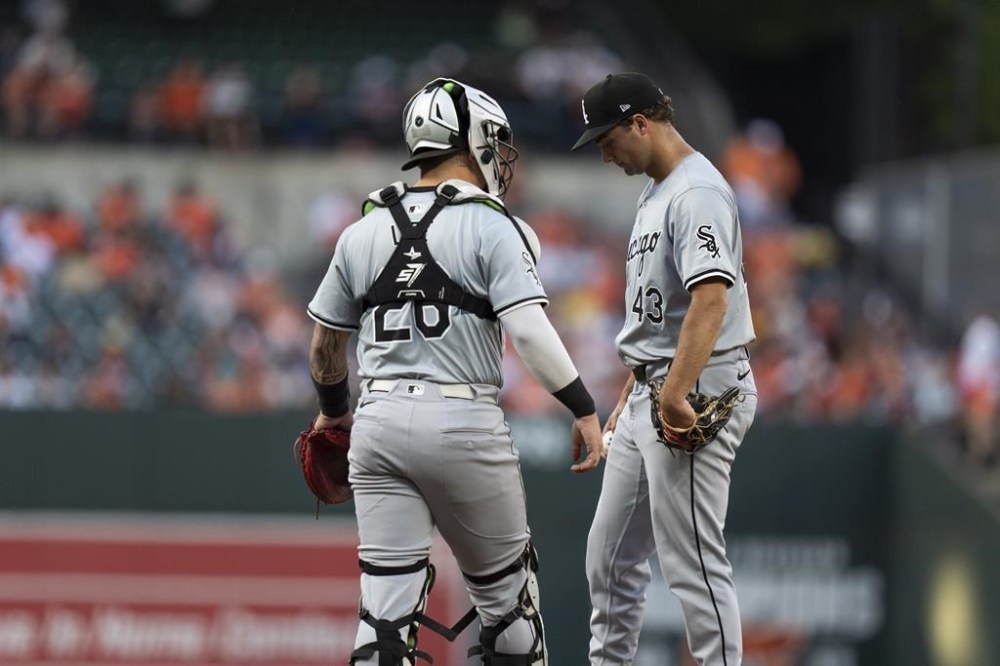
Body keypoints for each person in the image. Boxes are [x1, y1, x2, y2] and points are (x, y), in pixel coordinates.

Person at [306, 77, 604, 665]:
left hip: (378, 417)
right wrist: (583, 406)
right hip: (464, 419)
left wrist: (335, 415)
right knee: (511, 618)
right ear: (471, 139)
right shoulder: (496, 226)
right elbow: (529, 332)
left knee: (383, 621)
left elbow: (323, 348)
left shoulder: (360, 230)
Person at [571, 73, 758, 665]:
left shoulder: (696, 191)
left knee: (693, 564)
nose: (603, 153)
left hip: (697, 387)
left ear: (640, 123)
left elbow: (710, 298)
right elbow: (665, 316)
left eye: (606, 138)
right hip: (656, 383)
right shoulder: (657, 190)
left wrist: (673, 394)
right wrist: (634, 390)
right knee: (608, 557)